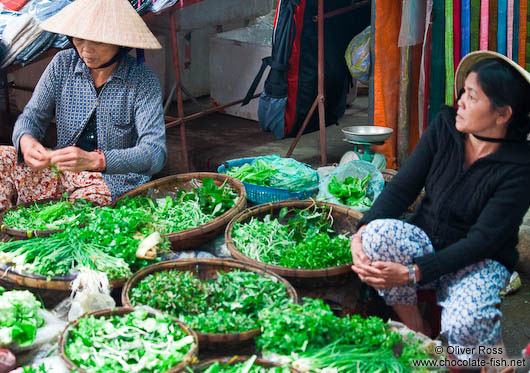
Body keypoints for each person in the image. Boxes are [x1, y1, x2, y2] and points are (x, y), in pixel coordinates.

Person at [350, 50, 530, 363]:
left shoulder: (519, 167)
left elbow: (482, 242)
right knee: (376, 235)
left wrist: (411, 273)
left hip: (480, 262)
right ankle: (417, 328)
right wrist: (360, 233)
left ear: (502, 115)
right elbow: (403, 187)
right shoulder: (446, 127)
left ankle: (490, 352)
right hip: (427, 242)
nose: (460, 101)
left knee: (464, 332)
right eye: (464, 92)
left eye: (472, 97)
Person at [0, 0, 167, 209]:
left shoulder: (142, 81)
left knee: (79, 213)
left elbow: (155, 153)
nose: (86, 50)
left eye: (97, 41)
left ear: (121, 42)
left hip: (113, 182)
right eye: (79, 39)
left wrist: (96, 161)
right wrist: (26, 141)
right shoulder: (63, 64)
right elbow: (32, 117)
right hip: (62, 171)